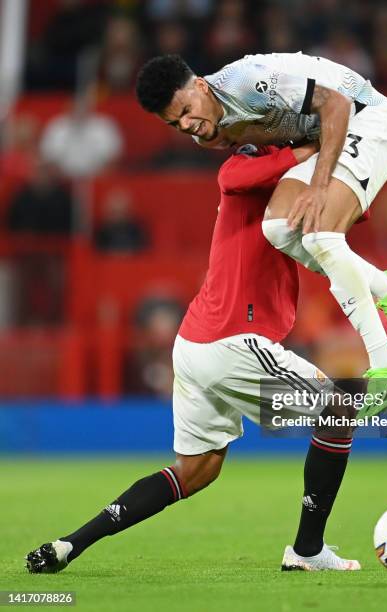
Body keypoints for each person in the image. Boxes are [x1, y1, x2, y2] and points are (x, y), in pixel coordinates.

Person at [26, 143, 364, 574]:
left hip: (194, 343)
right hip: (232, 341)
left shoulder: (285, 187)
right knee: (338, 408)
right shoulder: (249, 170)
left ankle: (69, 544)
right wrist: (320, 147)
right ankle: (307, 550)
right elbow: (236, 176)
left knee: (196, 470)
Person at [134, 51, 387, 414]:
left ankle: (385, 363)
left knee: (318, 235)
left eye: (187, 111)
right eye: (175, 124)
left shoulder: (248, 83)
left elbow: (336, 103)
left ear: (201, 86)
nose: (187, 125)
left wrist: (318, 187)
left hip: (365, 120)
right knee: (278, 228)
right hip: (326, 138)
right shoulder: (208, 134)